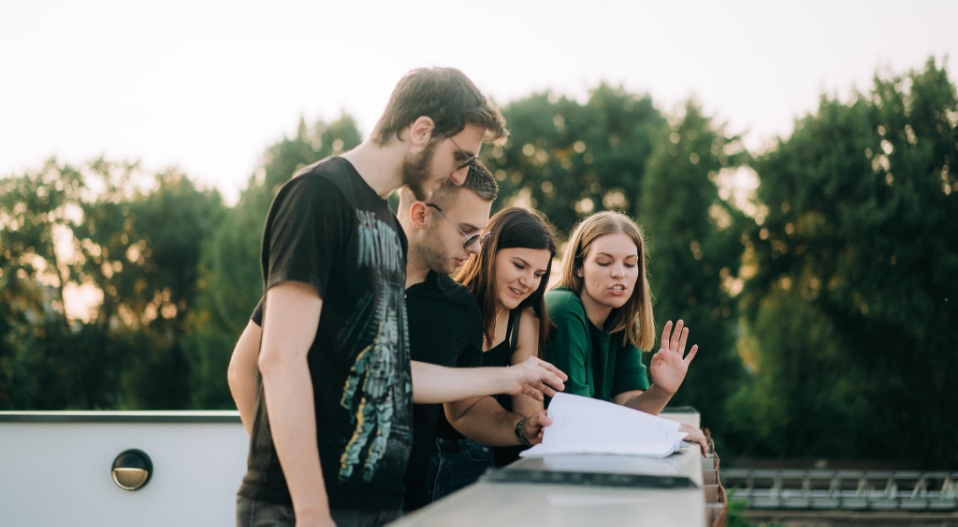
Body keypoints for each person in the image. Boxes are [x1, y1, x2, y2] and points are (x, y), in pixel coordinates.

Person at [233, 67, 511, 527]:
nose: (461, 174)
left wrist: (509, 379)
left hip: (379, 506)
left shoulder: (386, 225)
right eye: (460, 157)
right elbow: (278, 358)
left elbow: (390, 372)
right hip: (309, 510)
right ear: (421, 130)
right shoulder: (319, 195)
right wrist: (310, 508)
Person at [229, 164, 568, 515]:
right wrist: (287, 472)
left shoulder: (460, 307)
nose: (476, 248)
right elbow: (243, 368)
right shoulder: (337, 265)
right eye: (466, 231)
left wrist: (517, 427)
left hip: (403, 506)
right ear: (421, 214)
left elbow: (465, 410)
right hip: (300, 504)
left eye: (479, 235)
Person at [544, 210, 709, 453]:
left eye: (630, 264)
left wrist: (662, 390)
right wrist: (663, 428)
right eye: (604, 262)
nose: (619, 273)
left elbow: (629, 410)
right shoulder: (565, 309)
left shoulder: (623, 320)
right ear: (579, 266)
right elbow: (576, 422)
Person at [426, 206, 558, 499]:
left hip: (480, 456)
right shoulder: (449, 305)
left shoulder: (524, 320)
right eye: (519, 266)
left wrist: (529, 426)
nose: (528, 281)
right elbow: (459, 408)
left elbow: (528, 410)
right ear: (488, 250)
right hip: (420, 457)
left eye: (539, 274)